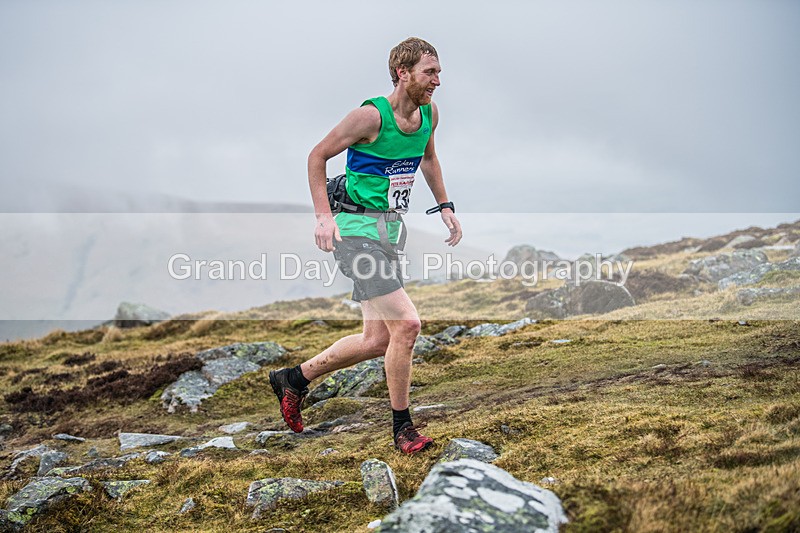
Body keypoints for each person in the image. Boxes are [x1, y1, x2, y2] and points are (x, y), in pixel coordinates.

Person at [270, 37, 462, 454]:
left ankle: (294, 379)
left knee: (377, 339)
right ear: (403, 73)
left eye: (439, 72)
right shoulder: (370, 117)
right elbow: (317, 155)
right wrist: (323, 217)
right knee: (407, 326)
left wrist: (444, 205)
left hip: (389, 233)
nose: (438, 81)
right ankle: (402, 429)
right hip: (355, 233)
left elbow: (427, 159)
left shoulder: (429, 114)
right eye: (431, 73)